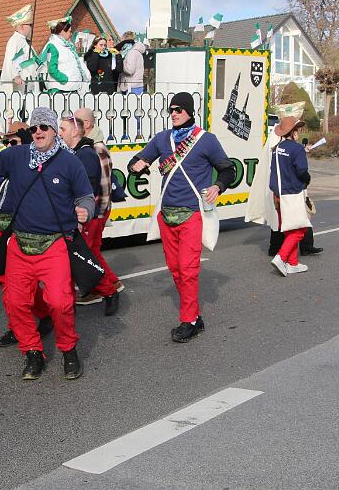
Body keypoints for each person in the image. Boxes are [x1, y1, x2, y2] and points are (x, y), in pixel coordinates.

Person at [0, 107, 94, 380]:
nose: (38, 131)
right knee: (15, 303)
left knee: (59, 303)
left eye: (45, 127)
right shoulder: (16, 155)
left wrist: (85, 210)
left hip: (54, 245)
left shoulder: (70, 162)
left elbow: (86, 197)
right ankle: (33, 352)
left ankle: (69, 350)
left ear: (52, 131)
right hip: (20, 245)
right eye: (34, 128)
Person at [128, 93, 236, 342]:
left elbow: (227, 169)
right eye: (171, 109)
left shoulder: (205, 140)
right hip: (166, 215)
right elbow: (138, 160)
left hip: (192, 214)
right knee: (176, 270)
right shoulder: (162, 138)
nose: (174, 113)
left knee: (188, 270)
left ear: (189, 111)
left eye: (179, 109)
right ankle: (195, 316)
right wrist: (136, 166)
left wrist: (218, 186)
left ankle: (188, 321)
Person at [0, 123, 54, 348]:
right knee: (5, 281)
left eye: (13, 142)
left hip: (19, 228)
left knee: (17, 285)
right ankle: (38, 315)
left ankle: (21, 327)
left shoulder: (32, 166)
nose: (8, 146)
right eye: (5, 142)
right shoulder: (2, 164)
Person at [59, 115, 120, 315]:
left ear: (75, 131)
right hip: (80, 216)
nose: (60, 133)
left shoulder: (86, 154)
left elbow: (88, 190)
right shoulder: (79, 152)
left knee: (83, 259)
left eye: (63, 129)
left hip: (85, 218)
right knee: (78, 259)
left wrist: (80, 217)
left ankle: (108, 290)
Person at [73, 107, 124, 308]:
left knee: (86, 253)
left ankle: (99, 289)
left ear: (87, 124)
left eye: (76, 120)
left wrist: (95, 213)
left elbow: (100, 183)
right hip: (96, 209)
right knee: (92, 250)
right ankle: (111, 282)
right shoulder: (92, 145)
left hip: (95, 210)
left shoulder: (95, 148)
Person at [269, 116, 311, 276]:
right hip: (292, 193)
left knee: (288, 229)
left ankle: (292, 263)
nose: (298, 133)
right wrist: (307, 179)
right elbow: (301, 171)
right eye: (297, 130)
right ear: (293, 132)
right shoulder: (297, 149)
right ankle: (281, 257)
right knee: (301, 228)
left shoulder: (276, 148)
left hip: (277, 194)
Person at [39, 16, 89, 94]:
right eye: (69, 31)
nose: (71, 34)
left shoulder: (67, 46)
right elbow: (52, 69)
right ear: (62, 32)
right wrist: (65, 79)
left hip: (70, 88)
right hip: (60, 90)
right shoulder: (52, 45)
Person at [0, 4, 40, 94]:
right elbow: (12, 60)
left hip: (29, 86)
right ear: (22, 26)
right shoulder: (15, 40)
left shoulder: (24, 41)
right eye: (30, 25)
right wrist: (15, 76)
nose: (32, 28)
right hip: (20, 87)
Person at [118, 31, 146, 95]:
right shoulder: (138, 52)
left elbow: (130, 70)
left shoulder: (131, 53)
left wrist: (122, 62)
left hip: (131, 86)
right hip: (137, 84)